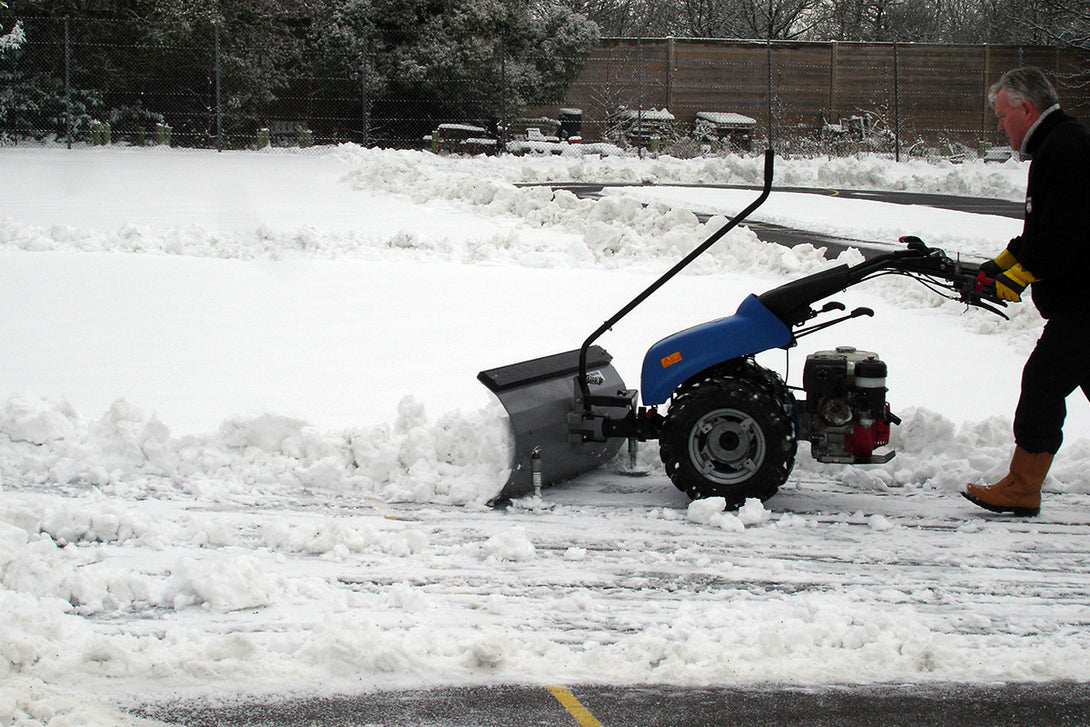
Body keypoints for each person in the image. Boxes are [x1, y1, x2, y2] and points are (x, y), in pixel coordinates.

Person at [963, 67, 1090, 517]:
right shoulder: (1059, 145)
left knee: (1042, 383)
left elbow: (1061, 239)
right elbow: (1039, 234)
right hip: (1079, 300)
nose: (1000, 127)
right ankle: (1021, 485)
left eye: (1002, 117)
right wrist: (996, 266)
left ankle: (1021, 487)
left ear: (1026, 108)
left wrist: (1011, 281)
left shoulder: (1066, 149)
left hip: (1084, 302)